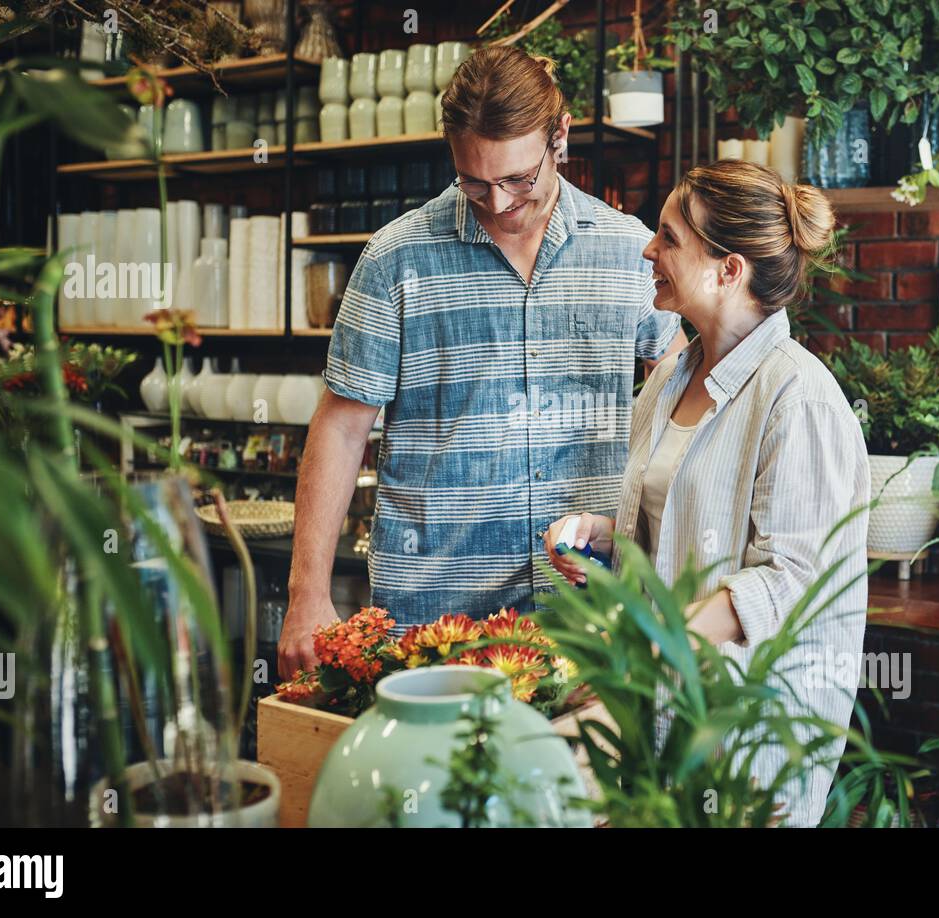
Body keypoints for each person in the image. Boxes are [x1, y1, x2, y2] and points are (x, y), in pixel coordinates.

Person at [278, 47, 687, 679]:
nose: (496, 202)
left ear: (561, 137)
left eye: (519, 179)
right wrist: (307, 595)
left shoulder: (630, 250)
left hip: (589, 610)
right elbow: (340, 427)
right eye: (474, 181)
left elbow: (681, 400)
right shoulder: (395, 259)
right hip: (434, 617)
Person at [544, 160, 869, 827]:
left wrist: (651, 650)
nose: (647, 249)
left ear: (729, 270)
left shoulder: (798, 397)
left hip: (738, 733)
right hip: (655, 703)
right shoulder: (670, 377)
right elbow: (675, 520)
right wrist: (601, 532)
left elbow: (789, 581)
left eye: (668, 237)